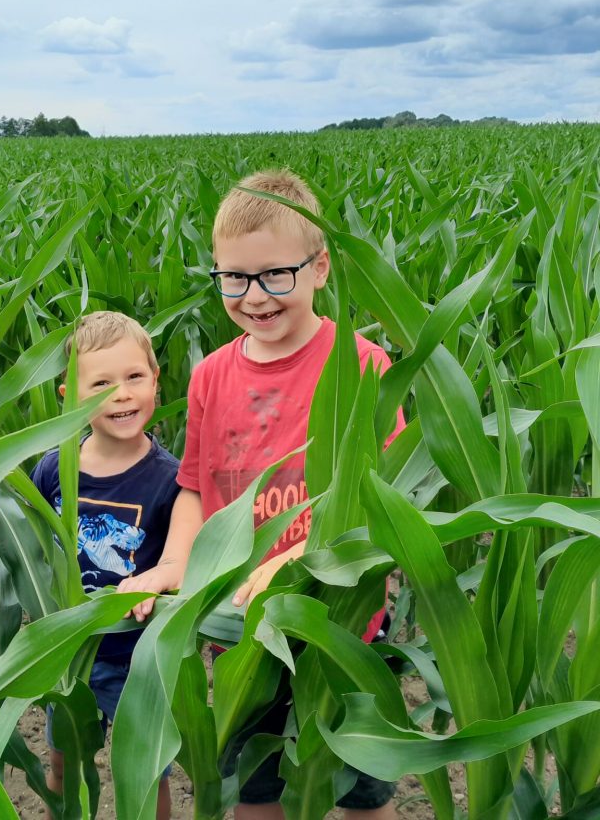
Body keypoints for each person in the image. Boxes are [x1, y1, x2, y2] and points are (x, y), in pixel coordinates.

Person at [176, 169, 404, 820]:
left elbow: (380, 501)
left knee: (365, 789)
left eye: (276, 275)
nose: (255, 296)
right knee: (254, 790)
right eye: (234, 279)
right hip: (242, 640)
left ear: (320, 267)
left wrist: (296, 557)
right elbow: (193, 489)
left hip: (344, 633)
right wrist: (180, 571)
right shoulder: (209, 376)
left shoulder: (360, 368)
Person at [31, 311, 200, 820]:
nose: (121, 394)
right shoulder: (54, 469)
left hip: (138, 659)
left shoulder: (169, 481)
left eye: (134, 378)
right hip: (73, 656)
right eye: (101, 383)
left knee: (147, 772)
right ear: (70, 397)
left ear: (155, 381)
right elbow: (36, 550)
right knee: (63, 756)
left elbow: (182, 562)